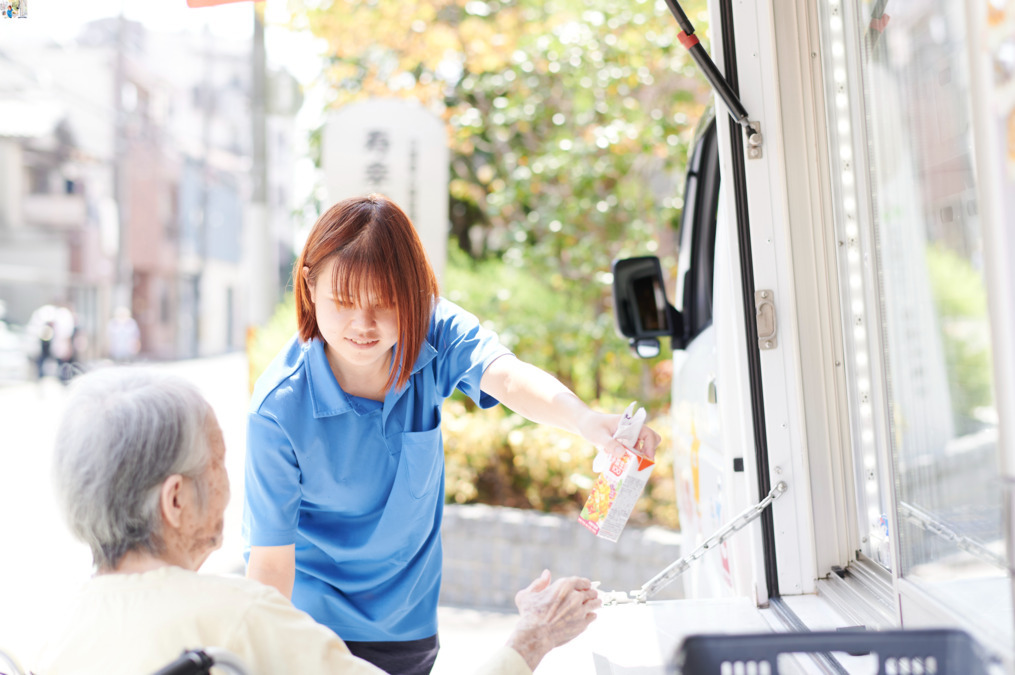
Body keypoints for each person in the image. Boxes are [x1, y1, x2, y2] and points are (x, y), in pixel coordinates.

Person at [243, 194, 660, 674]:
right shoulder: (278, 408)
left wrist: (586, 421)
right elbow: (270, 565)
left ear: (415, 294)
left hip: (409, 626)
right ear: (310, 285)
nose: (364, 324)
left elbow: (505, 376)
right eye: (344, 301)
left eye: (385, 302)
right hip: (314, 630)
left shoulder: (433, 331)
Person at [37, 367, 601, 675]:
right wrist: (533, 637)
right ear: (176, 500)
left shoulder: (59, 635)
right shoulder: (241, 622)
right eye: (218, 462)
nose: (232, 482)